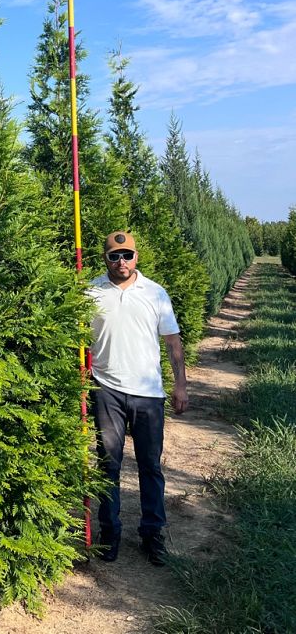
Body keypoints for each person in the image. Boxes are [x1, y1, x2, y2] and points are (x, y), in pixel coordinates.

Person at [88, 231, 188, 566]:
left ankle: (152, 534)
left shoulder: (155, 293)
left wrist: (181, 385)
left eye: (127, 255)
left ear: (136, 257)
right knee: (109, 465)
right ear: (105, 258)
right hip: (107, 391)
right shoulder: (90, 291)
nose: (121, 262)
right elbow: (78, 339)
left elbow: (173, 343)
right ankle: (109, 533)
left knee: (149, 465)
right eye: (114, 256)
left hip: (148, 393)